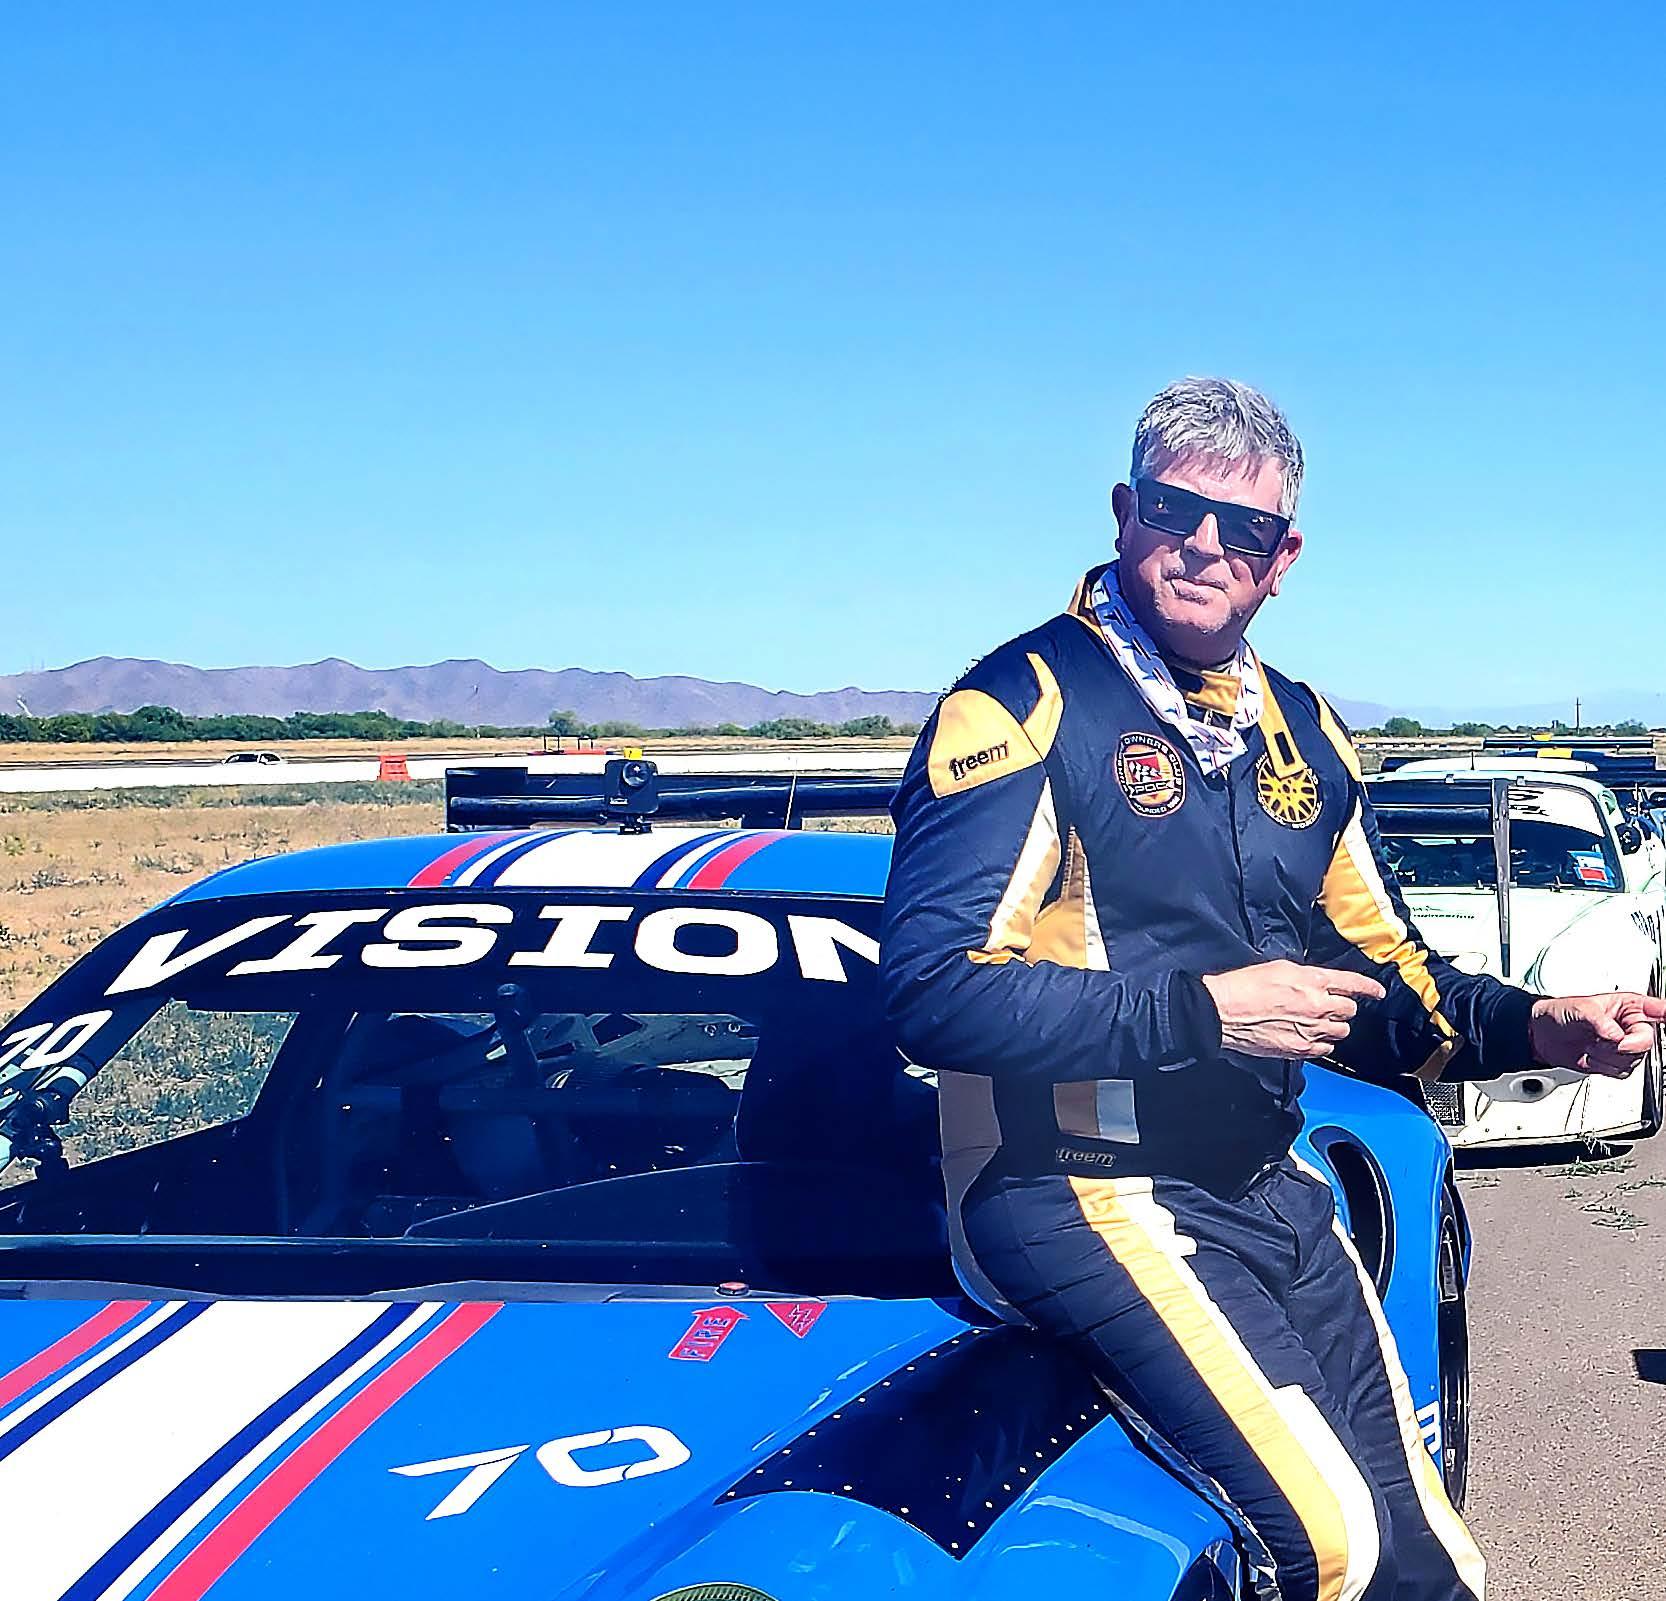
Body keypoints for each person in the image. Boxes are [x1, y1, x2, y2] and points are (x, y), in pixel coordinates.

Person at [879, 376, 1666, 1601]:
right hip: (1081, 1188)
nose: (1202, 544)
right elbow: (932, 991)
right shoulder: (1022, 703)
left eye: (1241, 525)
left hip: (1267, 1179)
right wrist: (1206, 1012)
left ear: (1281, 557)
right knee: (1326, 1540)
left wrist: (1538, 1024)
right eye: (1170, 508)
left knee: (1423, 1549)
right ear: (1123, 512)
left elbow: (1387, 977)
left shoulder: (1303, 727)